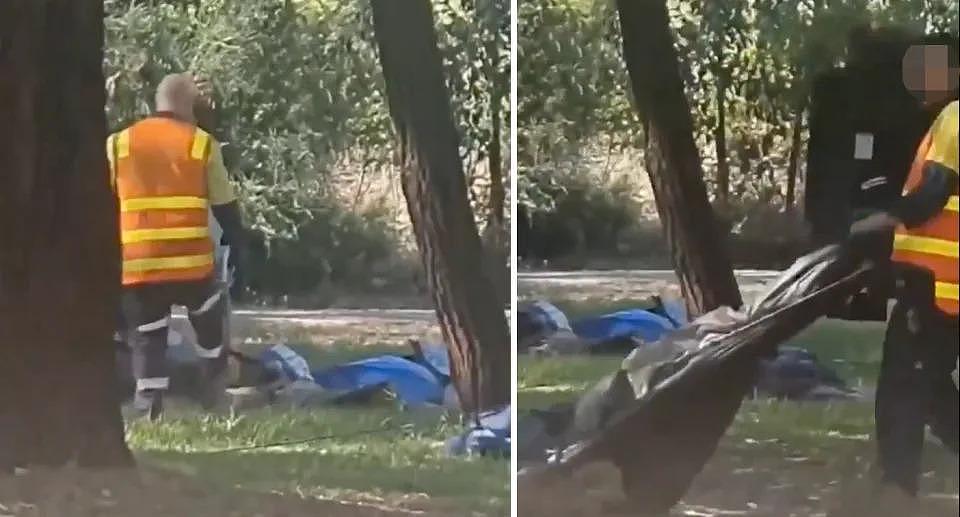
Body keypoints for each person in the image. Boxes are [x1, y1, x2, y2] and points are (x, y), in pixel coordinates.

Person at [851, 40, 958, 501]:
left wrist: (883, 218)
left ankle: (895, 492)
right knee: (929, 386)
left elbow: (934, 191)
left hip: (935, 284)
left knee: (902, 387)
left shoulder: (956, 117)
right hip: (944, 285)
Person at [107, 73, 246, 420]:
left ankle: (148, 401)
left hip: (139, 264)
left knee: (147, 333)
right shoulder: (201, 143)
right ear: (187, 105)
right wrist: (240, 245)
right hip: (192, 265)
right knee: (210, 319)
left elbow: (103, 202)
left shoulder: (118, 144)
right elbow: (224, 205)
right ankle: (213, 389)